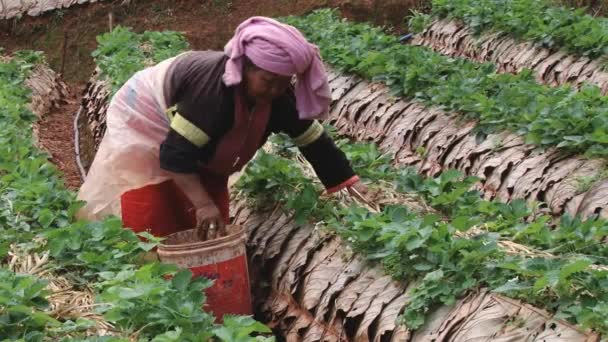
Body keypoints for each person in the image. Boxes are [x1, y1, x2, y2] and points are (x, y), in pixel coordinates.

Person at [77, 16, 366, 240]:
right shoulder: (212, 96)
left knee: (209, 185)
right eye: (268, 81)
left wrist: (349, 185)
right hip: (145, 107)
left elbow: (314, 141)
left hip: (189, 122)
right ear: (245, 69)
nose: (276, 90)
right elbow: (175, 157)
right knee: (153, 193)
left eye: (283, 82)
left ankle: (199, 260)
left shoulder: (279, 97)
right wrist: (202, 205)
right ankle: (146, 255)